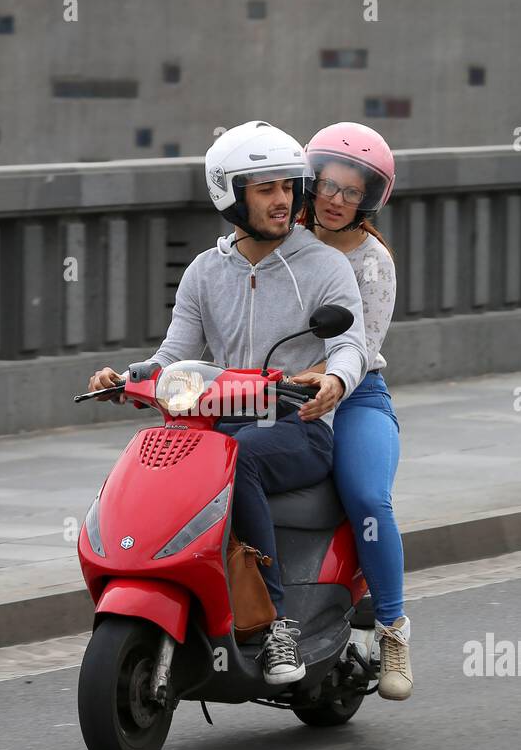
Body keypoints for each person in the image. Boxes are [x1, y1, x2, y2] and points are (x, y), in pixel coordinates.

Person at [88, 120, 367, 685]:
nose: (283, 200)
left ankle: (277, 627)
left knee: (238, 462)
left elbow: (350, 345)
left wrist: (333, 382)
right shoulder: (205, 271)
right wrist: (129, 378)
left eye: (288, 187)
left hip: (297, 424)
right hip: (216, 424)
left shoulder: (325, 266)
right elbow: (174, 353)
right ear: (231, 196)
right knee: (160, 462)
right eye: (266, 189)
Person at [290, 121, 413, 701]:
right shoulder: (281, 241)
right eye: (328, 186)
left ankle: (392, 629)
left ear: (368, 200)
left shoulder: (372, 261)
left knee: (367, 497)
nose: (336, 201)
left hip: (357, 394)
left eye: (352, 191)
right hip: (279, 392)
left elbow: (361, 348)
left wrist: (330, 376)